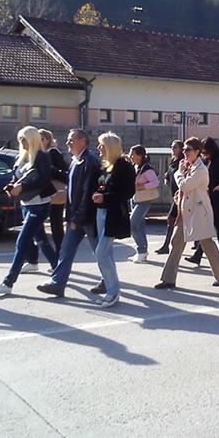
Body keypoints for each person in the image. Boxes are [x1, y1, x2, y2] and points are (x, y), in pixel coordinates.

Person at [0, 126, 57, 295]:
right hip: (26, 203)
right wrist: (11, 186)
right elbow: (16, 177)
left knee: (22, 241)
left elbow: (44, 180)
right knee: (40, 239)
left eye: (24, 139)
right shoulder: (22, 156)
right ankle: (57, 268)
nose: (21, 142)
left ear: (32, 139)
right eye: (20, 139)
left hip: (40, 204)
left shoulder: (42, 156)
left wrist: (23, 186)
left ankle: (8, 282)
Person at [155, 137, 219, 290]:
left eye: (188, 150)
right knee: (176, 242)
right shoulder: (189, 166)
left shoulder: (201, 170)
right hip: (186, 211)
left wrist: (179, 172)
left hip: (199, 212)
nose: (185, 152)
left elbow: (185, 185)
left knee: (207, 243)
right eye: (184, 149)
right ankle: (168, 279)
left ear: (197, 152)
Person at [37, 129, 102, 297]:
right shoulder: (76, 161)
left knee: (100, 252)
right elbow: (70, 179)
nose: (67, 143)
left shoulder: (90, 162)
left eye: (71, 140)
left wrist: (77, 217)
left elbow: (88, 193)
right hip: (77, 216)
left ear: (82, 141)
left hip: (87, 217)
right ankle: (57, 283)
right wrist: (51, 170)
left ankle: (108, 281)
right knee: (66, 250)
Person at [88, 132, 136, 308]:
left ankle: (113, 291)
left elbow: (128, 192)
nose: (98, 148)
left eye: (101, 145)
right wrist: (98, 194)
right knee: (106, 253)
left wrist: (105, 197)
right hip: (101, 212)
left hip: (114, 214)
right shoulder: (106, 165)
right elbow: (102, 186)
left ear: (109, 147)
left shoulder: (124, 166)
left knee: (101, 253)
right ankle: (110, 288)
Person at [21, 128, 68, 273]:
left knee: (55, 227)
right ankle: (38, 261)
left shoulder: (51, 153)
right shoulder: (33, 154)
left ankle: (58, 259)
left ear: (47, 139)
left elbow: (58, 172)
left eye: (42, 138)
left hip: (53, 195)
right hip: (40, 197)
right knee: (39, 233)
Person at [187, 137, 219, 265]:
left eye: (205, 152)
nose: (204, 154)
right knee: (215, 227)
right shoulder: (208, 160)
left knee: (211, 226)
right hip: (210, 197)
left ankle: (200, 254)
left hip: (218, 198)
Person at [129, 144, 159, 264]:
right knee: (139, 226)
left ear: (140, 155)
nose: (130, 156)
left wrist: (142, 186)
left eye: (133, 154)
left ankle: (141, 250)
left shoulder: (146, 168)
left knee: (132, 224)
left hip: (144, 200)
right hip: (135, 199)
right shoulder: (135, 167)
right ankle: (142, 253)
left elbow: (155, 182)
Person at [155, 140, 185, 255]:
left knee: (172, 219)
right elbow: (168, 174)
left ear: (181, 149)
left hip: (181, 196)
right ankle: (167, 246)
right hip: (175, 197)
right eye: (172, 147)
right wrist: (167, 178)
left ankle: (167, 245)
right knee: (176, 221)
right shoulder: (173, 161)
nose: (172, 149)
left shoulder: (182, 162)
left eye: (175, 147)